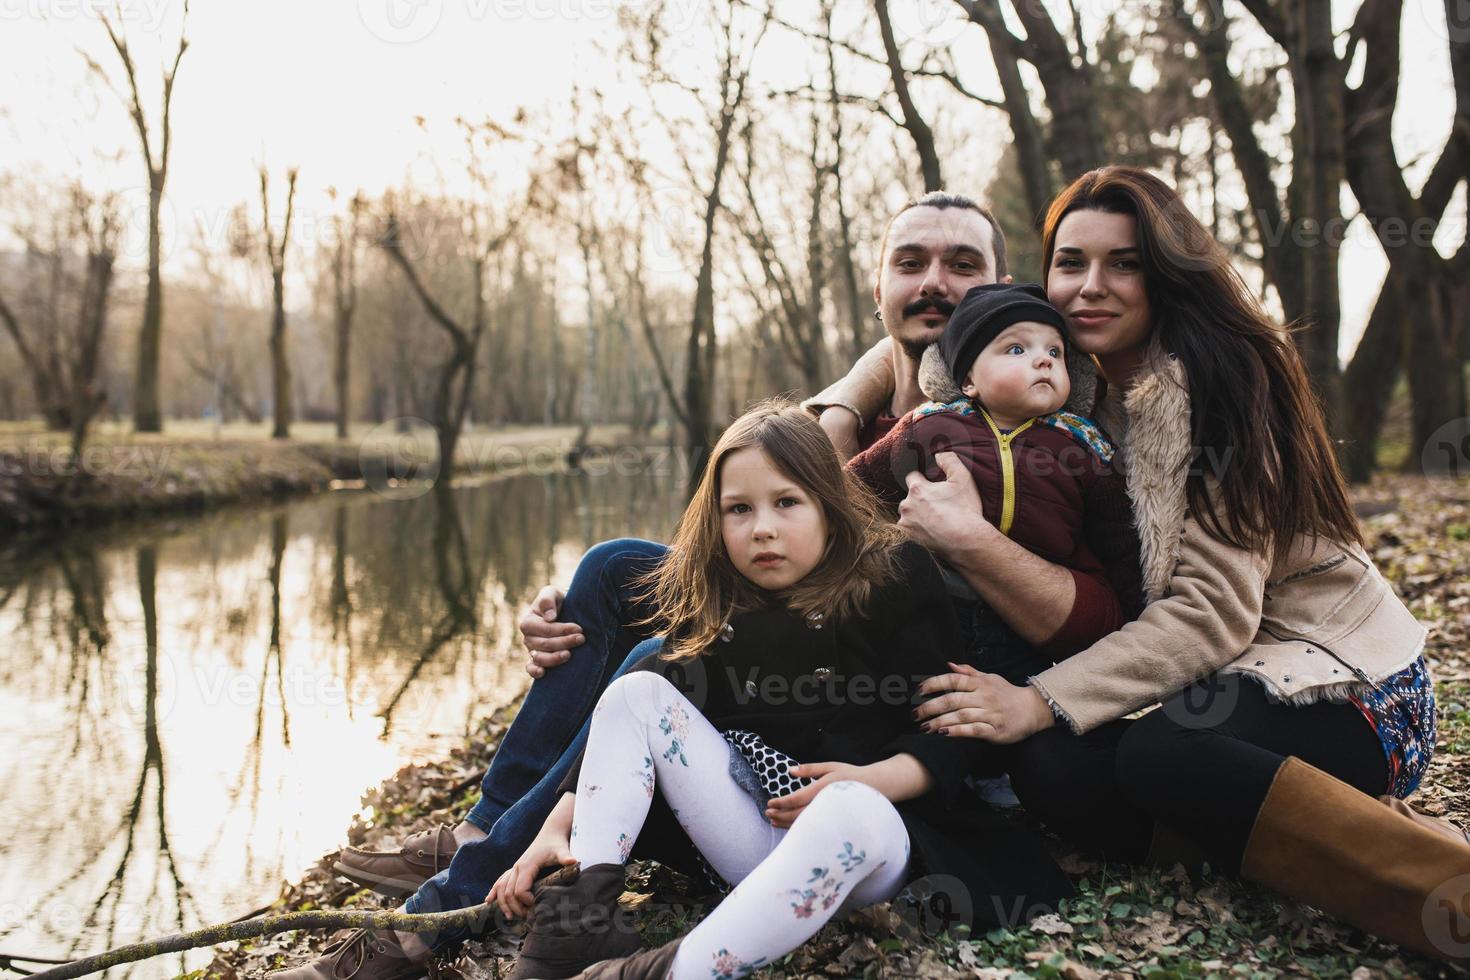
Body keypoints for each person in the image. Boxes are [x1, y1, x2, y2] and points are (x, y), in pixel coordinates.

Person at [267, 190, 1024, 980]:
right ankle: (499, 830)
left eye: (962, 266)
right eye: (911, 263)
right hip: (782, 680)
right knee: (612, 574)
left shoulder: (1013, 411)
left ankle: (463, 892)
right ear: (878, 289)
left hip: (879, 699)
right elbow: (746, 506)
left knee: (664, 653)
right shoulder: (847, 409)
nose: (934, 281)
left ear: (1003, 289)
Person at [810, 165, 1467, 964]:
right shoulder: (1063, 381)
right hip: (1218, 688)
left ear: (1166, 272)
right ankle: (1246, 832)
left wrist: (1039, 697)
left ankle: (1444, 890)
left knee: (1161, 751)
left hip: (1341, 681)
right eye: (1071, 263)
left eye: (1124, 263)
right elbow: (931, 340)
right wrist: (842, 406)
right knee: (1049, 769)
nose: (1092, 286)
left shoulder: (1225, 383)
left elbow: (1212, 615)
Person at [492, 401, 1072, 980]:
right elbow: (641, 715)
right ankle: (577, 919)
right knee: (633, 692)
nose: (761, 528)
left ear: (828, 505)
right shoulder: (722, 597)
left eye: (786, 503)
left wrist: (870, 779)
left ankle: (665, 973)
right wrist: (556, 827)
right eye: (738, 510)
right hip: (755, 835)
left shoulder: (896, 577)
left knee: (848, 808)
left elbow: (953, 730)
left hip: (873, 840)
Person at [846, 280, 1145, 674]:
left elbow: (1119, 538)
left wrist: (1138, 612)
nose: (1044, 361)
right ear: (969, 380)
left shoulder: (1084, 445)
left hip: (1029, 625)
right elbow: (854, 488)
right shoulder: (928, 427)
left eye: (1054, 351)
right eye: (1017, 349)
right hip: (932, 609)